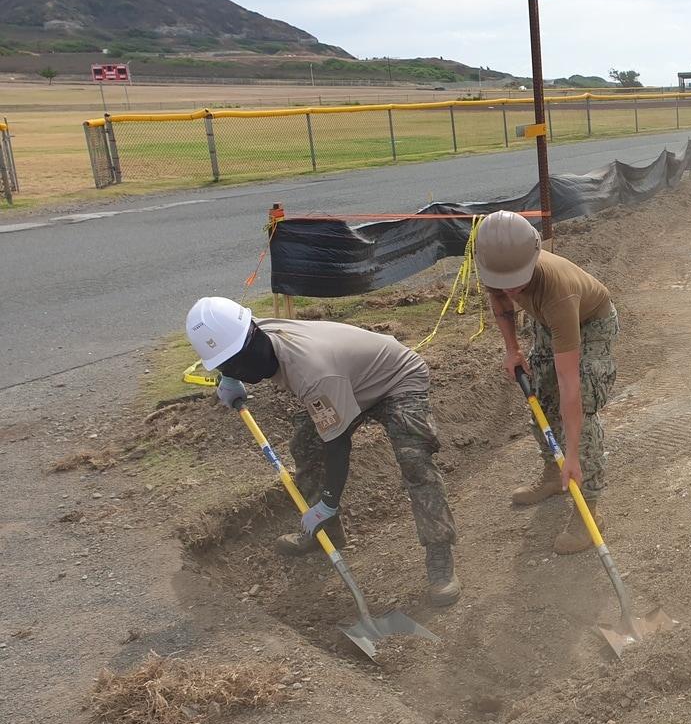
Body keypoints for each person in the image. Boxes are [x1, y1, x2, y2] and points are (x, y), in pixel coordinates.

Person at [185, 296, 461, 606]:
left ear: (251, 337)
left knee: (415, 462)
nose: (232, 369)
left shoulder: (311, 373)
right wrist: (229, 378)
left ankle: (440, 558)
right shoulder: (249, 332)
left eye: (234, 364)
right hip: (345, 382)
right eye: (224, 364)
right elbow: (232, 348)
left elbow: (338, 443)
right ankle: (324, 534)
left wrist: (328, 502)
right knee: (304, 446)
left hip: (396, 379)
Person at [479, 210, 619, 555]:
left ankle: (589, 511)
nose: (511, 288)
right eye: (504, 280)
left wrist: (571, 454)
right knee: (540, 398)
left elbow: (570, 385)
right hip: (545, 321)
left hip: (589, 322)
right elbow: (499, 299)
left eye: (518, 281)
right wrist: (512, 350)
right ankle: (551, 474)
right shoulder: (497, 265)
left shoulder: (558, 293)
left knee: (580, 407)